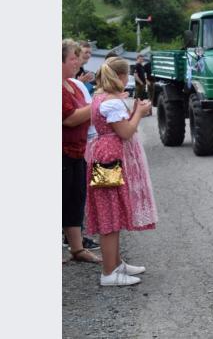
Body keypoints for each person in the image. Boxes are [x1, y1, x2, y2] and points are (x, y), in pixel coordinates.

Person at [84, 56, 158, 286]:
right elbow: (125, 132)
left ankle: (115, 264)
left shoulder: (100, 97)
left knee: (112, 213)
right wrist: (140, 113)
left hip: (104, 155)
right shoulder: (111, 103)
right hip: (109, 158)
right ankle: (109, 272)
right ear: (122, 77)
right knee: (109, 217)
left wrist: (134, 109)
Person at [62, 39, 102, 264]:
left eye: (78, 57)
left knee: (75, 200)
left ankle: (77, 249)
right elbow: (69, 119)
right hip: (63, 151)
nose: (77, 61)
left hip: (77, 151)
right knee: (61, 199)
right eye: (73, 58)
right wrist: (97, 104)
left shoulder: (72, 84)